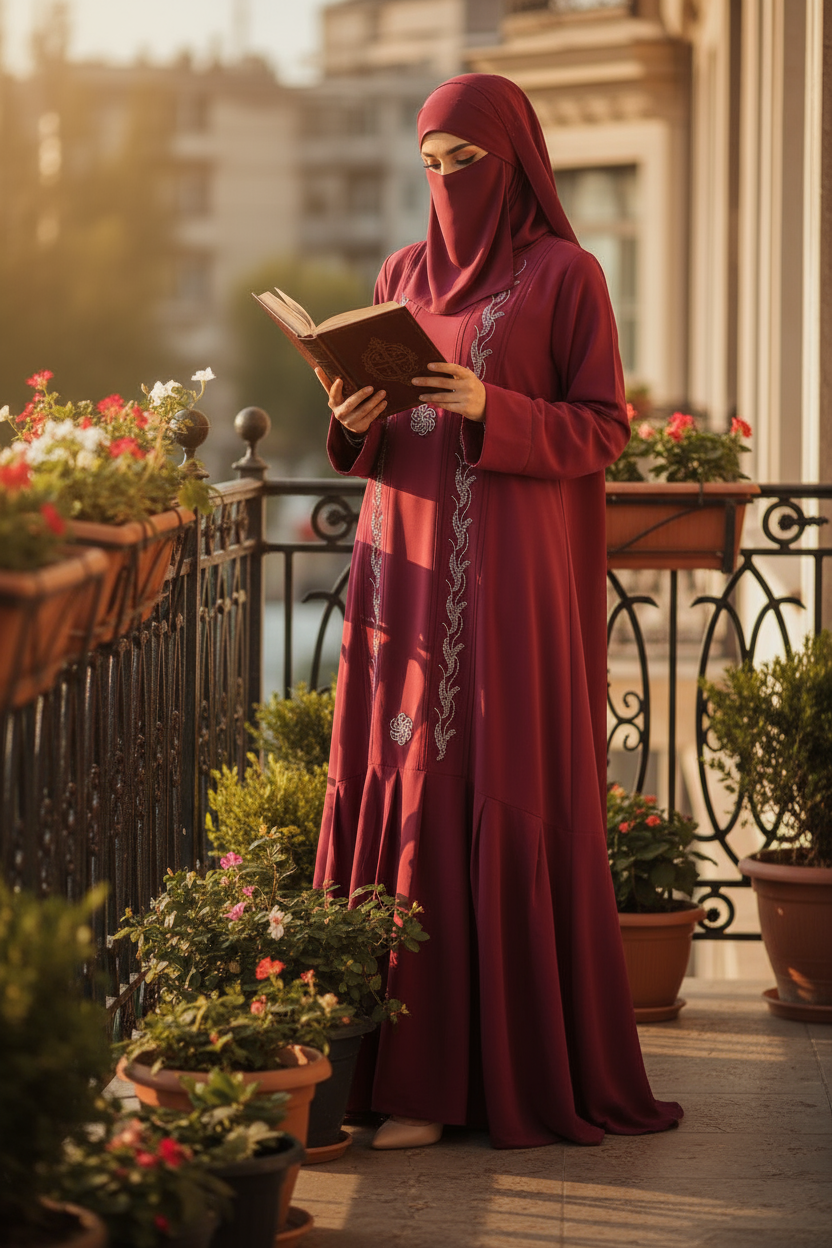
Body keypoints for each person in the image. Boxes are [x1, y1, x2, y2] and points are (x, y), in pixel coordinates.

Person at [313, 73, 683, 1151]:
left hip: (511, 587)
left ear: (510, 158)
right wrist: (351, 418)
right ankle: (389, 1071)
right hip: (404, 569)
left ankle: (455, 1087)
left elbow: (603, 427)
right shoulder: (399, 273)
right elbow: (375, 441)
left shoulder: (567, 275)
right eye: (427, 166)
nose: (443, 185)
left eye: (462, 165)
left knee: (488, 783)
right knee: (400, 780)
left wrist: (492, 406)